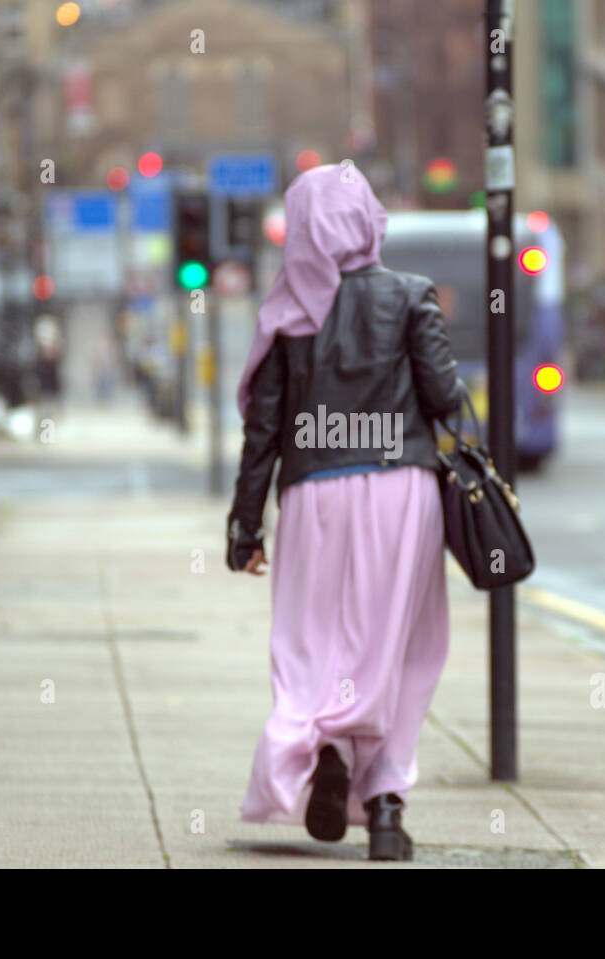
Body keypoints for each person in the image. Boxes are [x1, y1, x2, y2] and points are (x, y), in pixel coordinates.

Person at [226, 165, 462, 861]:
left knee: (311, 641)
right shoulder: (411, 294)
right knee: (396, 647)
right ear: (368, 221)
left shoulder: (288, 309)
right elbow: (445, 397)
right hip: (400, 491)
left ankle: (325, 749)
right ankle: (386, 808)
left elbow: (263, 430)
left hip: (312, 493)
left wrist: (245, 526)